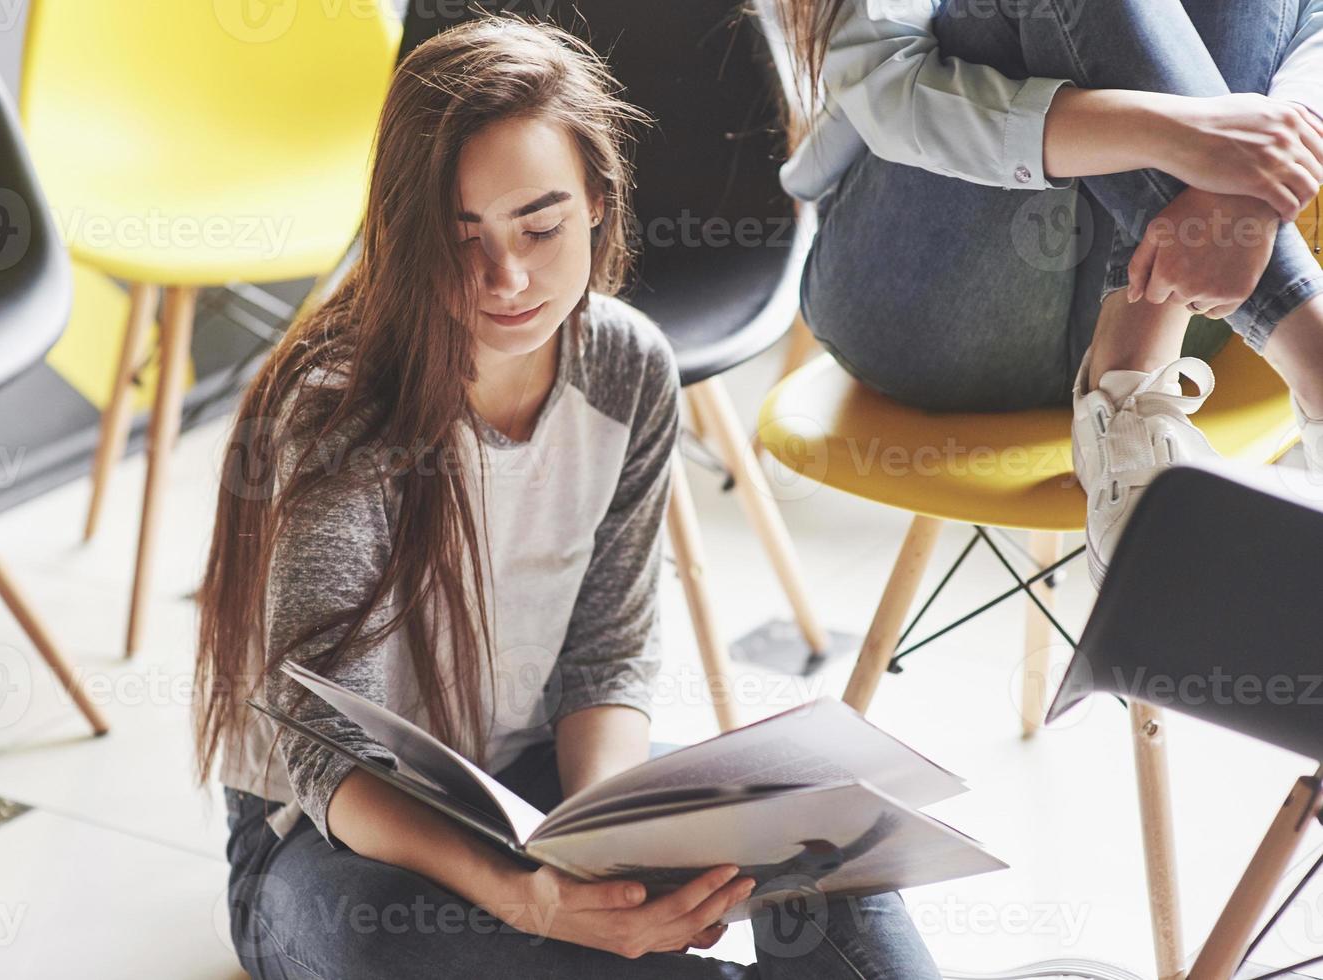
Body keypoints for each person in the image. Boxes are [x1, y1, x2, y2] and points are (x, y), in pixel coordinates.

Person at [191, 17, 941, 980]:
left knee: (830, 841)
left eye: (539, 226)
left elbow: (605, 657)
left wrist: (606, 846)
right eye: (461, 239)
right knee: (392, 949)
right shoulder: (341, 409)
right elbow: (327, 751)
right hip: (333, 839)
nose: (505, 278)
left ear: (597, 199)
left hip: (541, 778)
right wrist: (529, 899)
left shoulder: (627, 368)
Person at [778, 0, 1323, 585]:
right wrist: (1188, 138)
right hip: (922, 310)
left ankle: (1132, 385)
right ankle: (1311, 350)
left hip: (1194, 290)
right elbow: (889, 90)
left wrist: (1267, 150)